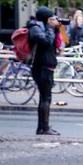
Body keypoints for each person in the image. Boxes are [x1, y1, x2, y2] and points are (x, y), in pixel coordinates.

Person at [28, 7, 61, 136]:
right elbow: (47, 42)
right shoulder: (35, 29)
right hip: (42, 67)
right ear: (46, 18)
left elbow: (53, 44)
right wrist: (51, 28)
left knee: (44, 98)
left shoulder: (43, 28)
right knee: (45, 98)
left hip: (45, 66)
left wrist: (56, 28)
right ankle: (44, 128)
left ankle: (41, 127)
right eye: (51, 18)